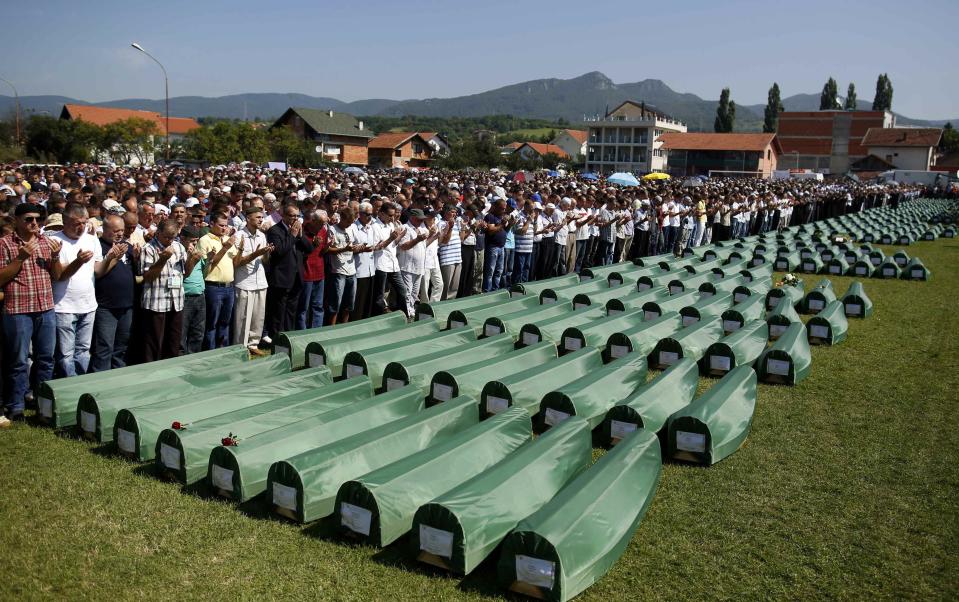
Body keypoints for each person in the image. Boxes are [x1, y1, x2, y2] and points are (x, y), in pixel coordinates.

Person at [0, 204, 64, 421]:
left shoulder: (46, 242)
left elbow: (57, 276)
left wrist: (55, 258)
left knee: (46, 359)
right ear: (16, 220)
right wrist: (20, 258)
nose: (34, 223)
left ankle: (42, 403)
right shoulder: (5, 244)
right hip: (18, 310)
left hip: (45, 307)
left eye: (38, 219)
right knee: (17, 360)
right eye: (28, 219)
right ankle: (15, 405)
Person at [50, 202, 122, 377]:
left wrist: (111, 258)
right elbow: (58, 275)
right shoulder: (55, 241)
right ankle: (71, 388)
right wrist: (78, 261)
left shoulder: (91, 240)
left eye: (83, 222)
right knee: (66, 354)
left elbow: (97, 271)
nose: (81, 227)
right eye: (76, 224)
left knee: (83, 351)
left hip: (88, 305)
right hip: (64, 306)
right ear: (65, 221)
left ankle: (81, 384)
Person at [140, 220, 197, 362]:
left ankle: (170, 369)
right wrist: (162, 259)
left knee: (174, 340)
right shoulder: (148, 248)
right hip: (156, 301)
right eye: (166, 237)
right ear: (158, 233)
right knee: (154, 342)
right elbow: (147, 277)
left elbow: (185, 274)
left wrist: (192, 260)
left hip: (176, 300)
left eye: (172, 237)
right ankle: (151, 371)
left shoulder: (178, 247)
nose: (169, 240)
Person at [91, 214, 134, 371]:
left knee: (121, 347)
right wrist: (112, 257)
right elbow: (98, 273)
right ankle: (99, 382)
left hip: (126, 305)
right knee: (104, 348)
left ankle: (118, 379)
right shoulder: (99, 246)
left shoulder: (127, 246)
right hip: (106, 306)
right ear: (105, 229)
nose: (120, 234)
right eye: (116, 230)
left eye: (122, 230)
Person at [265, 203, 313, 340]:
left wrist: (301, 235)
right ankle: (277, 338)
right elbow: (279, 252)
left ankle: (288, 337)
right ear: (283, 215)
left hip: (296, 277)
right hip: (281, 277)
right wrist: (292, 235)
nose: (295, 219)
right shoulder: (275, 230)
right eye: (292, 216)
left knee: (291, 310)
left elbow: (309, 249)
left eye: (298, 216)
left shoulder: (298, 231)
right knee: (278, 312)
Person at [233, 206, 273, 354]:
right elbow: (237, 262)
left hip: (260, 280)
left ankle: (253, 344)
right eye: (258, 217)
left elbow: (264, 260)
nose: (261, 220)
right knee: (242, 318)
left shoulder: (262, 236)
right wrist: (256, 253)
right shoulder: (239, 236)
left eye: (262, 217)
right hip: (244, 282)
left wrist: (267, 252)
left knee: (258, 317)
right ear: (248, 218)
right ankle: (240, 347)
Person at [371, 202, 407, 314]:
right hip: (381, 265)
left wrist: (400, 236)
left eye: (393, 215)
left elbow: (393, 244)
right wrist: (391, 238)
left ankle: (404, 314)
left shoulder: (390, 225)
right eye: (390, 215)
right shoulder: (375, 227)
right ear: (381, 214)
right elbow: (377, 247)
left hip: (393, 264)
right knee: (380, 295)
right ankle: (379, 317)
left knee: (403, 290)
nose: (393, 218)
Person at [325, 206, 357, 325]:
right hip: (338, 270)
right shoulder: (332, 230)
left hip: (351, 270)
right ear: (342, 218)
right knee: (335, 304)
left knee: (349, 303)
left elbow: (353, 246)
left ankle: (344, 326)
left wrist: (360, 248)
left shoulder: (351, 229)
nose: (349, 224)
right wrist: (344, 249)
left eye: (351, 222)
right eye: (348, 221)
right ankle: (331, 328)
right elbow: (328, 250)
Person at [297, 209, 328, 330]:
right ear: (313, 220)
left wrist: (328, 246)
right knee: (303, 307)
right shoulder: (302, 230)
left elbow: (323, 251)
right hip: (306, 274)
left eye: (324, 223)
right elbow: (299, 254)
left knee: (318, 306)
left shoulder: (323, 231)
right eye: (321, 223)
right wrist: (313, 245)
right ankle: (302, 331)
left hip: (320, 273)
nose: (322, 226)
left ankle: (316, 330)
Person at [397, 208, 432, 316]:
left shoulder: (422, 229)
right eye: (419, 219)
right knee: (407, 292)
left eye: (422, 220)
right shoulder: (405, 228)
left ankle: (411, 310)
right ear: (412, 218)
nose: (421, 221)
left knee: (415, 293)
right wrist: (417, 239)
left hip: (419, 267)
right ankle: (406, 312)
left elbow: (423, 246)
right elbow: (403, 246)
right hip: (407, 266)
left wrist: (434, 237)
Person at [178, 225, 206, 355]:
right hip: (185, 298)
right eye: (192, 240)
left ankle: (193, 361)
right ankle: (180, 361)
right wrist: (191, 258)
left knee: (198, 333)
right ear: (182, 238)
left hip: (200, 296)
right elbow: (184, 274)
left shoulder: (197, 252)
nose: (195, 243)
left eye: (196, 240)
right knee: (181, 334)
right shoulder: (178, 252)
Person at [351, 202, 378, 319]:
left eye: (371, 214)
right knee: (358, 302)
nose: (369, 217)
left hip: (370, 269)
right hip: (359, 270)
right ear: (360, 214)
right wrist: (361, 249)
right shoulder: (353, 228)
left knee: (368, 301)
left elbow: (373, 246)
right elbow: (349, 249)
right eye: (367, 214)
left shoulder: (371, 228)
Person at [482, 199, 511, 292]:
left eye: (505, 209)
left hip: (501, 247)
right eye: (502, 208)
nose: (504, 211)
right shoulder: (490, 216)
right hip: (492, 247)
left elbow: (504, 231)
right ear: (496, 207)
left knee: (499, 271)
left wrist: (510, 224)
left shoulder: (501, 218)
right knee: (490, 271)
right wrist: (502, 224)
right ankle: (487, 290)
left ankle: (495, 290)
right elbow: (490, 231)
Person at [436, 204, 463, 299]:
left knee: (454, 287)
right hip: (447, 259)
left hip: (457, 258)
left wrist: (463, 227)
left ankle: (451, 303)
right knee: (446, 286)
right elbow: (444, 241)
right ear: (446, 213)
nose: (454, 214)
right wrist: (450, 227)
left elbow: (461, 239)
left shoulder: (456, 223)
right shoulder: (441, 223)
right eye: (452, 212)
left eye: (455, 212)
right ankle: (443, 304)